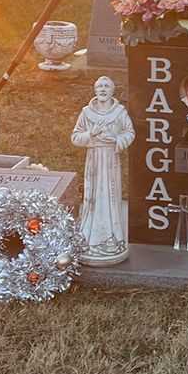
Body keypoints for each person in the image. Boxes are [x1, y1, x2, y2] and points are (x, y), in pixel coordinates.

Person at [71, 76, 135, 266]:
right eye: (99, 86)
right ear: (94, 90)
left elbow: (130, 132)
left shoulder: (119, 112)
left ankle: (112, 239)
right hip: (94, 160)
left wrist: (115, 140)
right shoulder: (86, 113)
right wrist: (91, 134)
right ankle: (90, 239)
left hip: (110, 160)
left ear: (113, 90)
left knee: (110, 197)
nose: (103, 89)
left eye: (107, 86)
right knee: (92, 198)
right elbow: (75, 137)